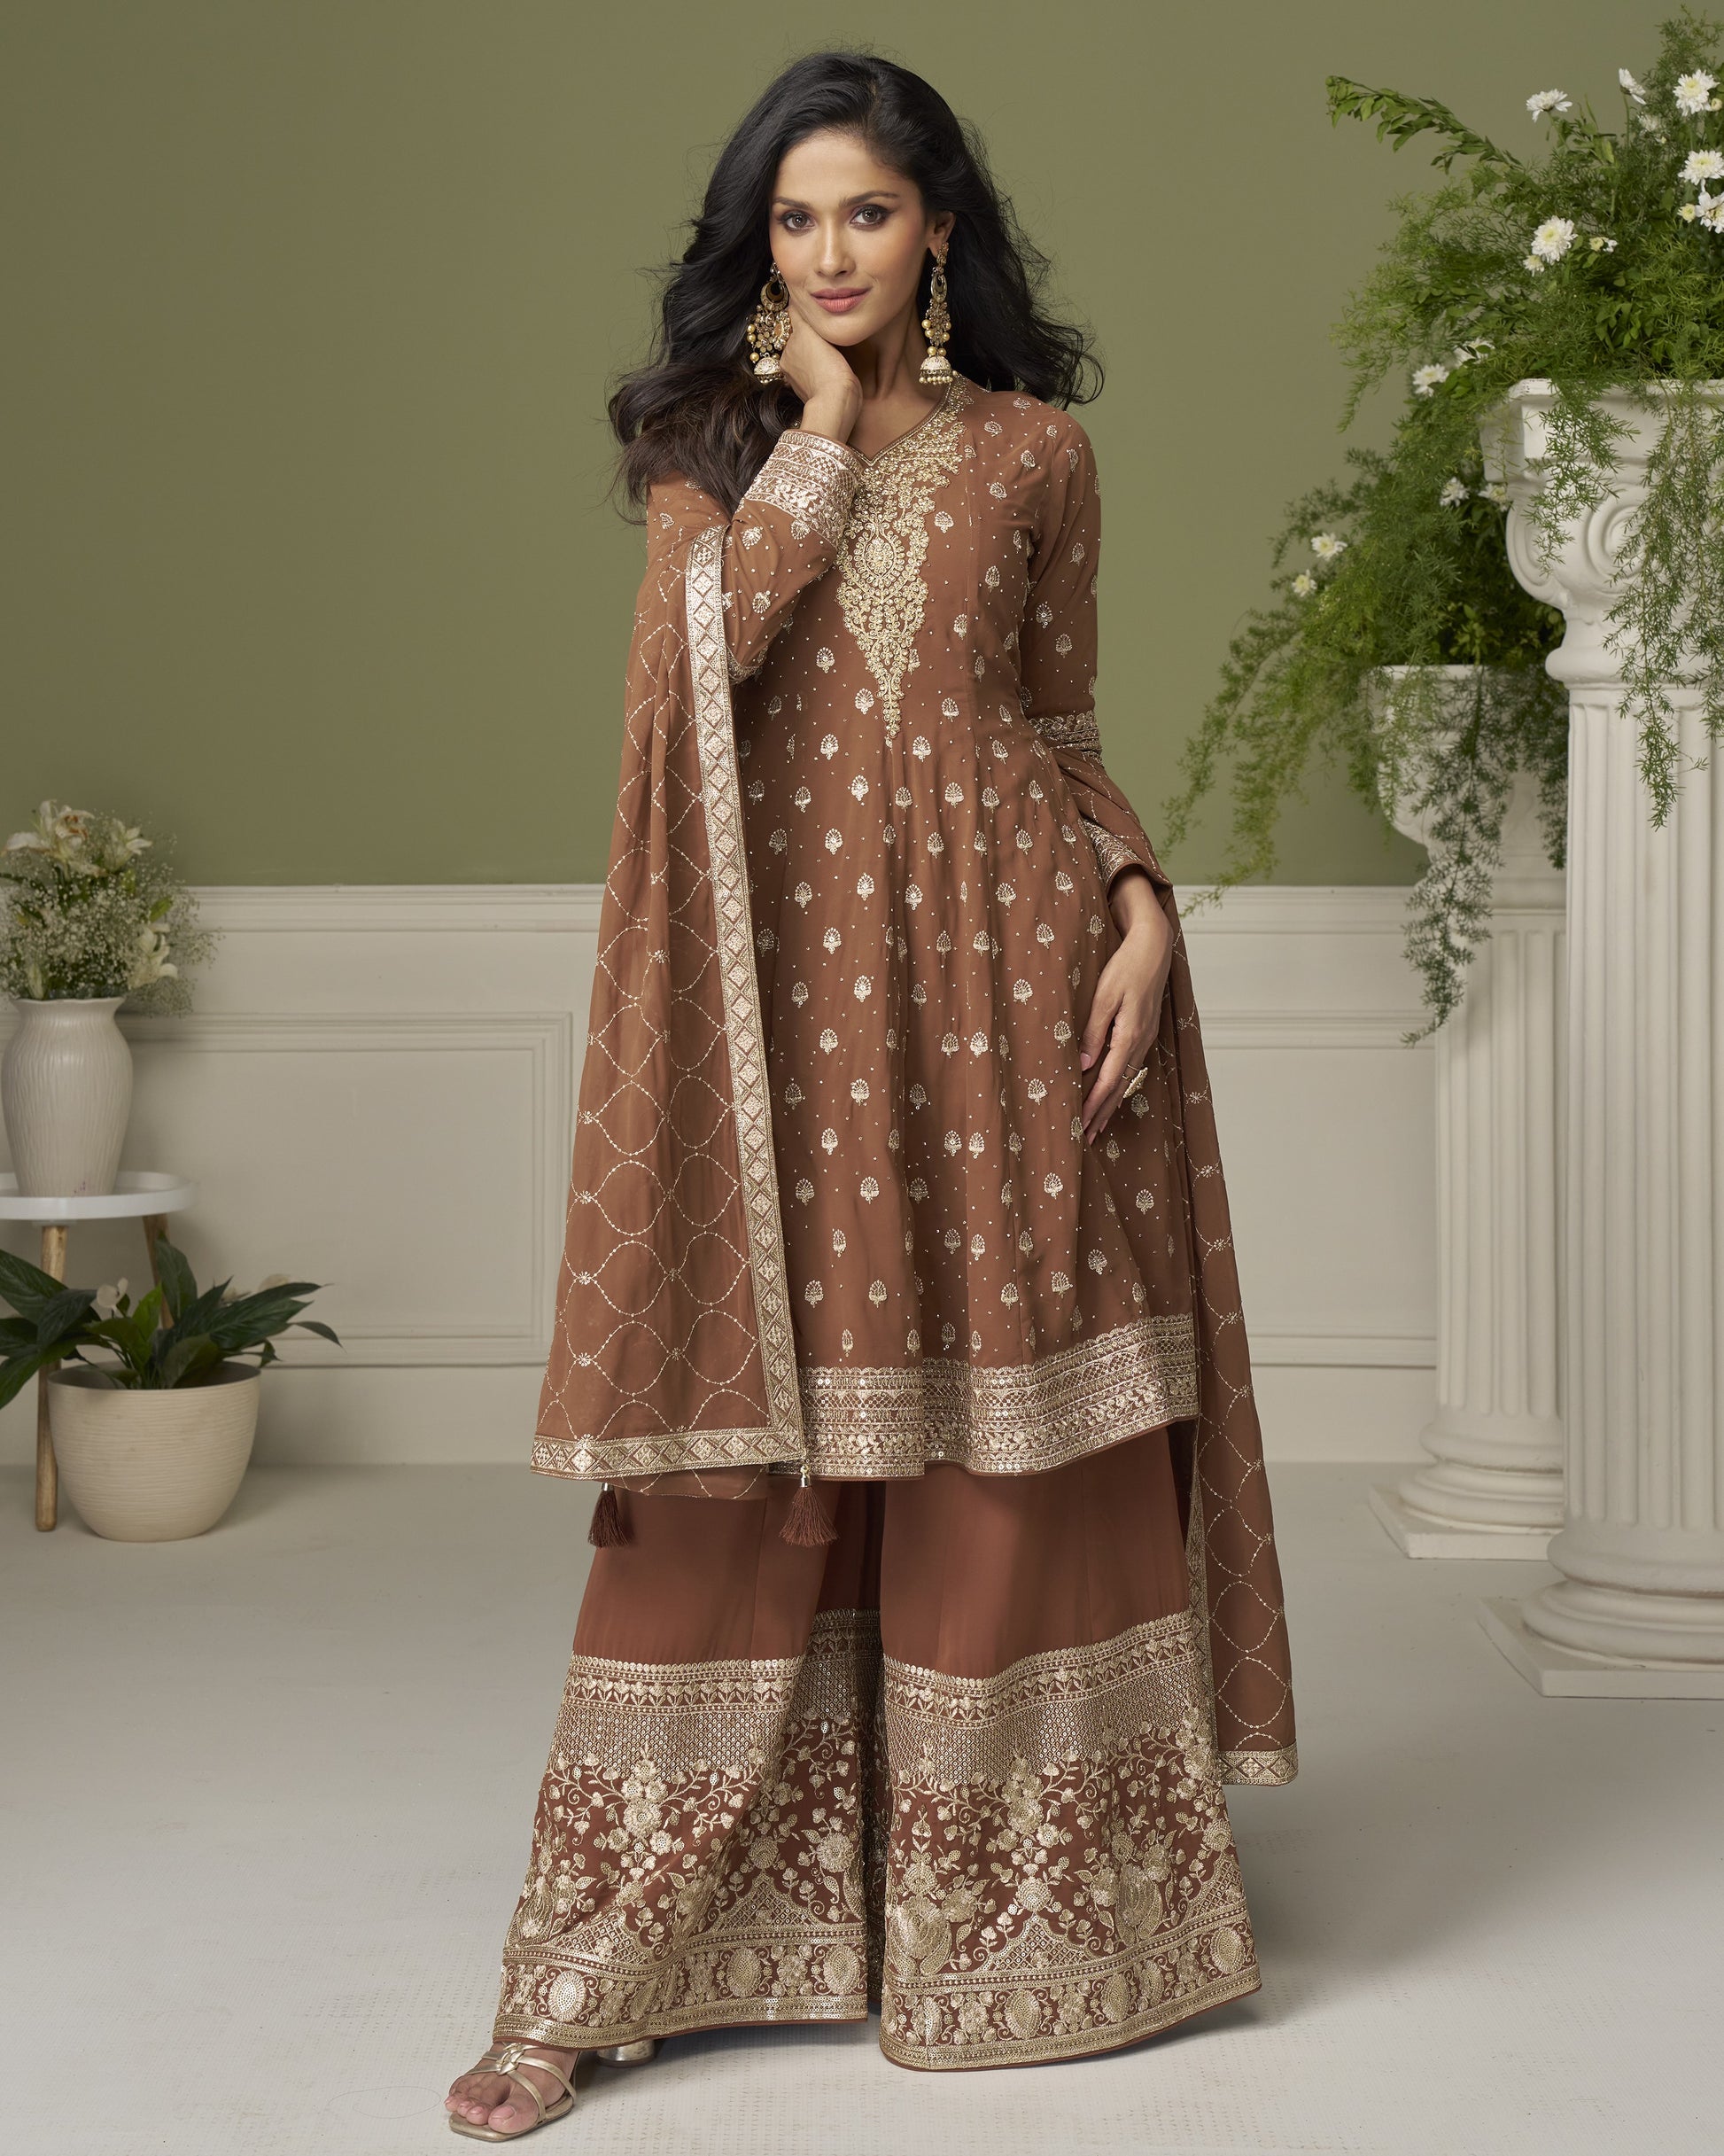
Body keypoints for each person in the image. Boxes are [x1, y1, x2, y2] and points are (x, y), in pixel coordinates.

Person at [447, 49, 1296, 2140]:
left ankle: (1021, 1926)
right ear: (762, 250)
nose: (831, 253)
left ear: (939, 236)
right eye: (796, 219)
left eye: (871, 215)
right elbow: (692, 679)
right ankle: (597, 1959)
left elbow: (1058, 716)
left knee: (1012, 1433)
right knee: (739, 1469)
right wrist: (816, 440)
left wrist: (1133, 892)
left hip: (1011, 988)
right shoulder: (703, 449)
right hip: (777, 1020)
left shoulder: (1038, 452)